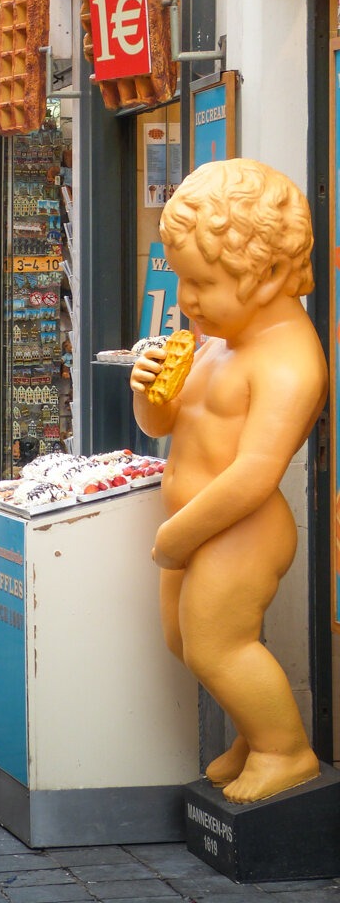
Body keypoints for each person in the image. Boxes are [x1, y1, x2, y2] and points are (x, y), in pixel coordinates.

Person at [130, 159, 327, 805]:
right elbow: (170, 418)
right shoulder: (218, 335)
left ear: (268, 276)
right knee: (185, 639)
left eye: (202, 283)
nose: (186, 301)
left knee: (218, 642)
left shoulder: (291, 360)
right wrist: (149, 395)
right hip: (196, 527)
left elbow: (253, 475)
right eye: (181, 280)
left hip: (241, 528)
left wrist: (178, 537)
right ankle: (252, 732)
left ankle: (284, 749)